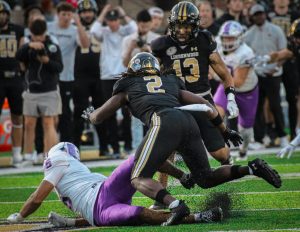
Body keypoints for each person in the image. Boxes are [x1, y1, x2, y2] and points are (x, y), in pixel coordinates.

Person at [84, 52, 281, 226]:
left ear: (132, 70)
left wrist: (90, 115)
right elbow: (204, 104)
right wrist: (224, 131)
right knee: (205, 177)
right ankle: (251, 168)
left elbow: (99, 117)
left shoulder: (128, 85)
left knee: (137, 177)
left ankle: (176, 205)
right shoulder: (170, 81)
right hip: (188, 121)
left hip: (163, 121)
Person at [7, 142, 223, 227]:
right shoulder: (59, 160)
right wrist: (20, 216)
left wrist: (70, 223)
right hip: (101, 207)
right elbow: (37, 198)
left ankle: (182, 176)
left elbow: (87, 208)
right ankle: (199, 216)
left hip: (102, 197)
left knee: (138, 159)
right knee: (139, 215)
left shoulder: (72, 177)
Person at [91, 4, 137, 157]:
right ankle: (115, 148)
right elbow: (93, 30)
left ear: (119, 20)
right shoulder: (103, 32)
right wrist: (103, 11)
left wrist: (122, 13)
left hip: (123, 75)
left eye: (115, 19)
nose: (113, 23)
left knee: (127, 112)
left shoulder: (125, 31)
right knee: (109, 113)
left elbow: (134, 27)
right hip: (106, 76)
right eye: (110, 20)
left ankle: (128, 146)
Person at [16, 18, 63, 158]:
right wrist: (29, 45)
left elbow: (59, 67)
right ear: (31, 33)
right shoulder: (27, 44)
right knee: (29, 123)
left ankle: (49, 156)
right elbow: (18, 56)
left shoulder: (52, 45)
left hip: (49, 90)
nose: (38, 38)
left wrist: (47, 61)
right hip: (31, 91)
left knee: (48, 123)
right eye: (35, 35)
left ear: (45, 33)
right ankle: (28, 156)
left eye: (40, 35)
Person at [244, 3, 288, 148]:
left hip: (274, 73)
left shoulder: (276, 30)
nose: (259, 16)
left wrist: (277, 67)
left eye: (261, 13)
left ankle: (282, 136)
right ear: (252, 17)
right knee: (257, 106)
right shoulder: (249, 35)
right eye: (256, 15)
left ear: (265, 14)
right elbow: (247, 57)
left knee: (276, 106)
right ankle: (259, 138)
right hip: (257, 74)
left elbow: (284, 51)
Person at [214, 21, 259, 160]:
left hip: (247, 92)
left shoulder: (245, 52)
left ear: (240, 37)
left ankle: (243, 149)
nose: (227, 41)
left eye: (231, 38)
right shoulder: (216, 45)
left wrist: (215, 75)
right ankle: (220, 147)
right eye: (225, 38)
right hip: (226, 87)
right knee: (215, 114)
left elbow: (238, 82)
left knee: (245, 130)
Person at [47, 2, 90, 143]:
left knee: (65, 113)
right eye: (63, 14)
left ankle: (65, 145)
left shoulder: (74, 30)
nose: (66, 17)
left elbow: (85, 45)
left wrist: (78, 24)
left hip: (66, 78)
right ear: (58, 15)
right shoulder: (49, 28)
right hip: (49, 77)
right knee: (49, 114)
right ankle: (43, 147)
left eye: (69, 14)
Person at [72, 0, 105, 154]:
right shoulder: (73, 28)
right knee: (79, 112)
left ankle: (105, 147)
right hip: (80, 76)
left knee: (102, 111)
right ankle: (75, 148)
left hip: (99, 75)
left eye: (90, 11)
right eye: (84, 11)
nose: (87, 14)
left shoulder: (102, 27)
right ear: (79, 14)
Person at [0, 0, 24, 165]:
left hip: (15, 78)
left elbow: (22, 54)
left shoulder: (18, 30)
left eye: (2, 13)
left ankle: (17, 154)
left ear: (7, 14)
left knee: (17, 115)